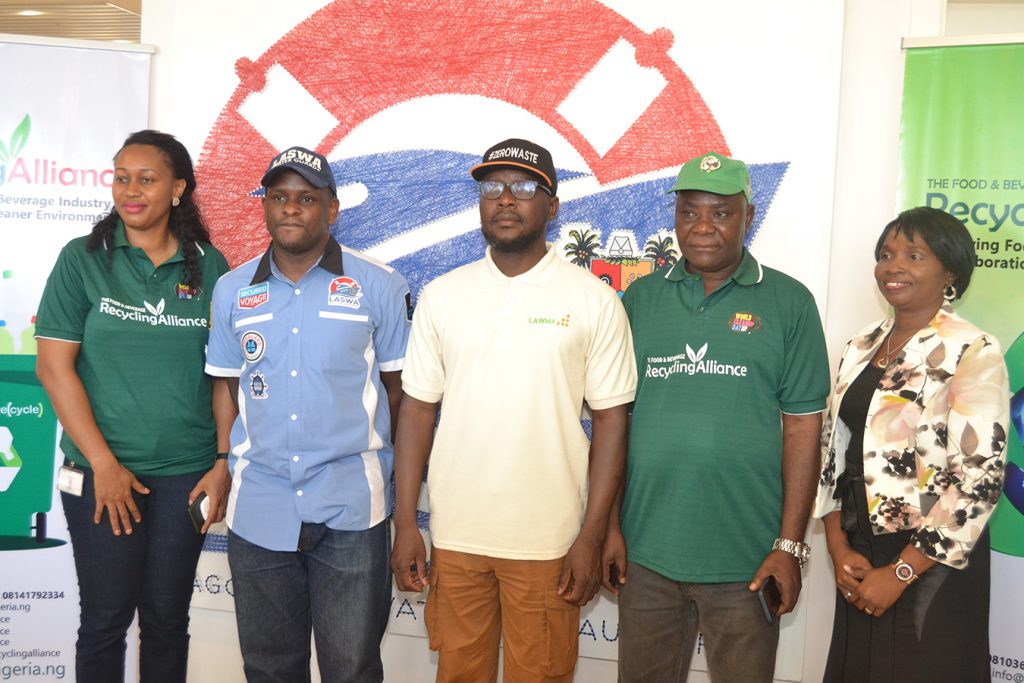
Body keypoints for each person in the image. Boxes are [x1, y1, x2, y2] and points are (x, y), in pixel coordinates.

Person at [391, 138, 636, 682]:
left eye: (524, 186)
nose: (505, 198)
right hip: (456, 538)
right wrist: (406, 521)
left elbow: (612, 422)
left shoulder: (593, 300)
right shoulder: (443, 295)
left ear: (553, 206)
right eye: (492, 187)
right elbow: (417, 412)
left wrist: (592, 534)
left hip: (550, 542)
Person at [607, 152, 831, 682]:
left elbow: (804, 429)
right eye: (689, 211)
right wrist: (610, 528)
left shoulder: (790, 302)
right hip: (646, 555)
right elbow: (618, 422)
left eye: (721, 213)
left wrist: (789, 546)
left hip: (746, 561)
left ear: (748, 216)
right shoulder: (640, 299)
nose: (702, 226)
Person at [204, 146, 410, 682]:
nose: (290, 208)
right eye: (279, 197)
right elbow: (227, 383)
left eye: (306, 198)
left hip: (351, 510)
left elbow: (398, 392)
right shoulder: (232, 290)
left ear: (332, 209)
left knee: (352, 670)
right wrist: (224, 459)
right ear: (265, 206)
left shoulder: (379, 285)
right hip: (260, 508)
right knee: (269, 670)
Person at [34, 129, 230, 683]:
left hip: (186, 475)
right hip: (100, 473)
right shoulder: (82, 259)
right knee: (104, 621)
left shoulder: (209, 266)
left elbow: (223, 377)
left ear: (178, 189)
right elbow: (53, 368)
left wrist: (222, 461)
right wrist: (104, 465)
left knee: (167, 622)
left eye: (146, 179)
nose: (131, 190)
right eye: (122, 178)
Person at [812, 206, 1009, 682]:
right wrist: (837, 546)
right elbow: (832, 453)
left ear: (950, 273)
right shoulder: (861, 345)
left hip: (930, 560)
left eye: (914, 256)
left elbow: (980, 479)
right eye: (886, 254)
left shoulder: (973, 349)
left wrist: (901, 572)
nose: (893, 266)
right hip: (860, 550)